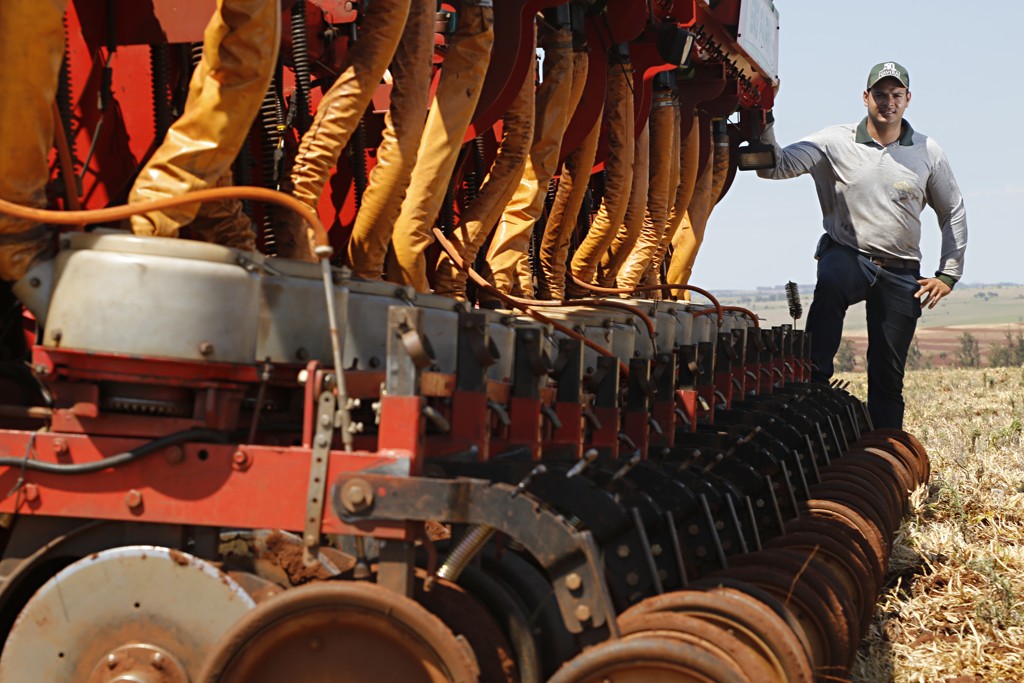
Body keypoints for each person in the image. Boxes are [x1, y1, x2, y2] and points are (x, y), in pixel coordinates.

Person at [757, 61, 968, 429]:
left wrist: (948, 274)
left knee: (887, 374)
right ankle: (813, 387)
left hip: (902, 272)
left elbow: (953, 211)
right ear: (866, 97)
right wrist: (764, 119)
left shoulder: (927, 151)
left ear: (908, 99)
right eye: (881, 94)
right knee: (834, 280)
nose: (889, 101)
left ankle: (883, 451)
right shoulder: (832, 141)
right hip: (850, 255)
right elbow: (775, 166)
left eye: (896, 95)